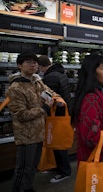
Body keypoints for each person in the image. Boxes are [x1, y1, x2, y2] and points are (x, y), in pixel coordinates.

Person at [6, 53, 58, 192]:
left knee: (33, 166)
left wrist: (57, 99)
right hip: (26, 135)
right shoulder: (15, 88)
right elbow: (21, 115)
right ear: (19, 65)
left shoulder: (37, 82)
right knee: (23, 168)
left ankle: (28, 188)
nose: (33, 64)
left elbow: (50, 92)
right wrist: (45, 108)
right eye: (28, 62)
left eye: (34, 62)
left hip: (39, 132)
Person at [37, 55, 72, 183]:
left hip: (57, 116)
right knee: (59, 142)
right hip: (63, 114)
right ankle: (60, 168)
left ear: (41, 66)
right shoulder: (60, 74)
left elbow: (50, 97)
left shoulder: (50, 77)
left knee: (58, 144)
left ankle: (64, 171)